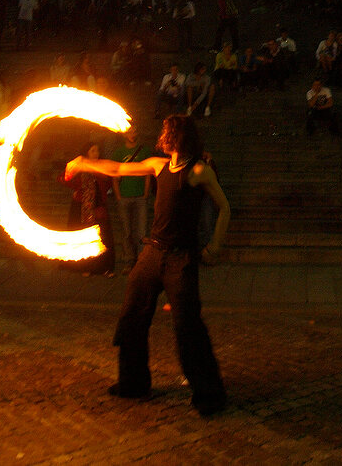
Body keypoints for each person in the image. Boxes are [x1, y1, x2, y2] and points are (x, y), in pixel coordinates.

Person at [65, 115, 229, 416]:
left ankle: (209, 393)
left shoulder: (198, 171)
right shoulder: (158, 165)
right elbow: (117, 168)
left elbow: (224, 207)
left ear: (177, 137)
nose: (161, 136)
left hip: (181, 258)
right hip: (152, 252)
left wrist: (215, 246)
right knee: (132, 315)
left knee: (187, 326)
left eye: (167, 132)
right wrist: (83, 163)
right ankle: (133, 382)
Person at [66, 142, 115, 276]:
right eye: (93, 151)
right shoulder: (81, 167)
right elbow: (66, 178)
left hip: (99, 206)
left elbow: (108, 180)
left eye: (97, 151)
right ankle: (86, 266)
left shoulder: (102, 166)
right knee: (86, 238)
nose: (96, 153)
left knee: (103, 238)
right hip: (83, 208)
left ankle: (105, 268)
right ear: (87, 153)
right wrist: (76, 190)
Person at [111, 126, 150, 274]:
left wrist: (146, 193)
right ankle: (129, 261)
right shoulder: (119, 152)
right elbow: (114, 175)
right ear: (125, 134)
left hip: (140, 196)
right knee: (127, 231)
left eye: (135, 131)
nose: (132, 134)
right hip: (124, 195)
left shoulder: (144, 151)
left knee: (141, 231)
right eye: (130, 132)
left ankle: (141, 261)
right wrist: (118, 196)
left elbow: (148, 172)